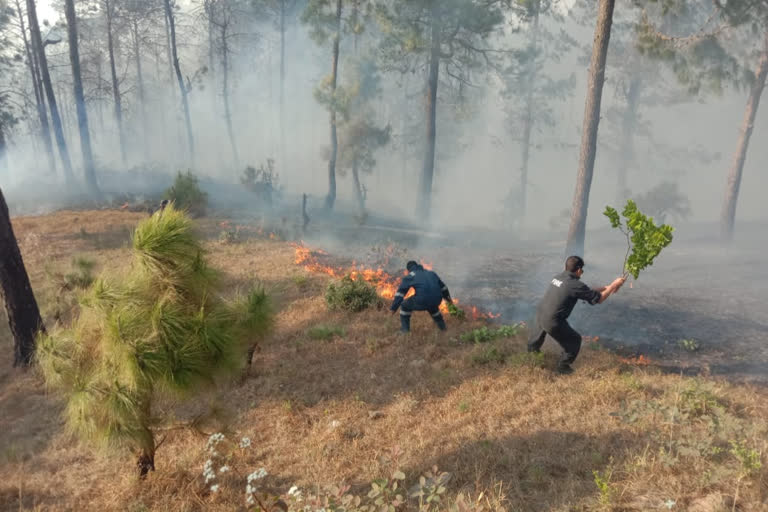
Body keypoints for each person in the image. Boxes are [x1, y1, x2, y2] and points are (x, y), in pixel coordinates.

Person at [528, 255, 626, 374]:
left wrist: (608, 287)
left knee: (534, 345)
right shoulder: (575, 284)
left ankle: (530, 361)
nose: (582, 273)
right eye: (582, 271)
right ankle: (563, 367)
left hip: (540, 314)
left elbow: (586, 291)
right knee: (574, 341)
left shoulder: (558, 277)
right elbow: (599, 299)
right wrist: (614, 285)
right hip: (553, 320)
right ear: (579, 270)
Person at [390, 261, 452, 333]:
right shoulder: (431, 273)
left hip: (423, 300)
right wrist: (449, 301)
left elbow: (400, 293)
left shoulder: (411, 276)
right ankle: (443, 328)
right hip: (437, 299)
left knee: (404, 305)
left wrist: (393, 309)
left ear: (408, 270)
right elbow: (444, 288)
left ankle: (405, 330)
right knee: (433, 306)